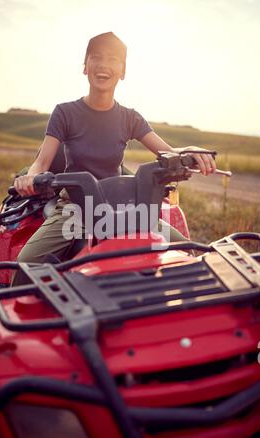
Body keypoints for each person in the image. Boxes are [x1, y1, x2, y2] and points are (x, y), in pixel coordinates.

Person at [12, 32, 216, 285]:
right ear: (85, 66)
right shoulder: (65, 113)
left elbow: (167, 152)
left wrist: (191, 151)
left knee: (188, 251)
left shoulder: (129, 117)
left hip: (125, 208)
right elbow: (42, 163)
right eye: (96, 58)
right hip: (76, 208)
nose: (103, 65)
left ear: (123, 70)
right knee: (26, 264)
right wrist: (31, 177)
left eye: (113, 59)